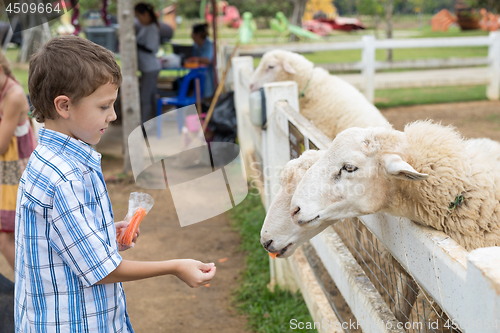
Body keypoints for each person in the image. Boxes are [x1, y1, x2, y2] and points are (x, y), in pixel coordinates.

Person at [16, 35, 216, 332]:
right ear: (64, 106)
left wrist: (106, 234)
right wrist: (175, 266)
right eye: (104, 106)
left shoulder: (49, 160)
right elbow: (100, 271)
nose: (113, 115)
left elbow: (62, 238)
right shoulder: (67, 177)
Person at [0, 51, 35, 270]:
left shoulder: (12, 95)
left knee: (5, 239)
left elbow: (2, 146)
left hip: (16, 171)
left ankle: (27, 289)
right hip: (7, 170)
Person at [135, 2, 161, 124]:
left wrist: (136, 45)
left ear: (145, 14)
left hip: (150, 68)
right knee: (152, 97)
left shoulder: (151, 28)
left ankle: (143, 126)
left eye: (139, 16)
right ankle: (156, 123)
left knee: (145, 99)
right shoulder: (145, 27)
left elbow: (152, 48)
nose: (138, 19)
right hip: (147, 68)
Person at [191, 23, 215, 99]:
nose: (191, 35)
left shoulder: (209, 45)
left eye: (193, 33)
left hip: (207, 75)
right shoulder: (196, 45)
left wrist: (196, 59)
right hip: (197, 73)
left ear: (198, 34)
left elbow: (208, 60)